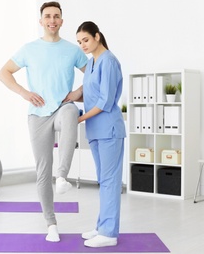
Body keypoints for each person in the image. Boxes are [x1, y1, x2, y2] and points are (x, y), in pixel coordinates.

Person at [0, 1, 87, 242]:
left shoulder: (72, 50)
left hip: (61, 108)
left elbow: (94, 73)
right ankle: (51, 224)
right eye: (47, 16)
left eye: (56, 16)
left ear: (62, 21)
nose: (52, 20)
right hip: (37, 115)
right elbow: (3, 72)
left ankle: (63, 176)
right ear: (41, 21)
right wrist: (24, 93)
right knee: (42, 170)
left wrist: (78, 92)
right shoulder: (29, 49)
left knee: (71, 112)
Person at [73, 21, 126, 247]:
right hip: (95, 130)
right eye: (79, 42)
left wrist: (81, 118)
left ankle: (109, 233)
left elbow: (105, 100)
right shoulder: (91, 63)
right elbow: (91, 95)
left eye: (85, 40)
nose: (83, 45)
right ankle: (101, 226)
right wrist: (69, 98)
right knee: (103, 180)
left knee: (111, 181)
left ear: (97, 36)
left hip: (109, 130)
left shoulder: (109, 61)